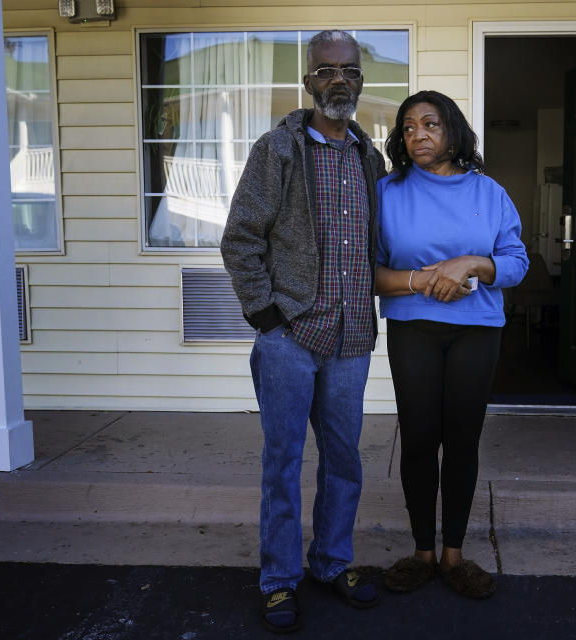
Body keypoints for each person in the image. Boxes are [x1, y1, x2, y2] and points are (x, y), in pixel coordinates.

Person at [220, 30, 387, 633]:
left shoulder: (372, 158)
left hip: (350, 340)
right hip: (289, 339)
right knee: (283, 463)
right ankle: (278, 580)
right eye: (326, 70)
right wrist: (266, 317)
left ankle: (331, 562)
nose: (338, 79)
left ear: (361, 80)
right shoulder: (277, 150)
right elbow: (240, 238)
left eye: (348, 69)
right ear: (309, 81)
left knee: (343, 460)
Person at [374, 90, 528, 599]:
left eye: (431, 124)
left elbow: (516, 262)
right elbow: (369, 272)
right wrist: (422, 280)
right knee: (419, 438)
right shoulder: (387, 192)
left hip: (476, 329)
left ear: (452, 131)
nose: (419, 135)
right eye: (409, 126)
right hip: (413, 327)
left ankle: (454, 555)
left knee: (462, 439)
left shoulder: (490, 194)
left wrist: (471, 264)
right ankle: (422, 552)